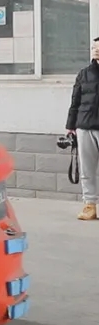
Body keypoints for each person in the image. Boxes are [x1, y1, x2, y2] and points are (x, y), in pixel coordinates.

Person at [65, 38, 99, 221]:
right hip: (85, 126)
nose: (96, 50)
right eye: (94, 47)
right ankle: (89, 205)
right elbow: (75, 101)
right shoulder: (84, 74)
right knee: (87, 170)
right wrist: (71, 126)